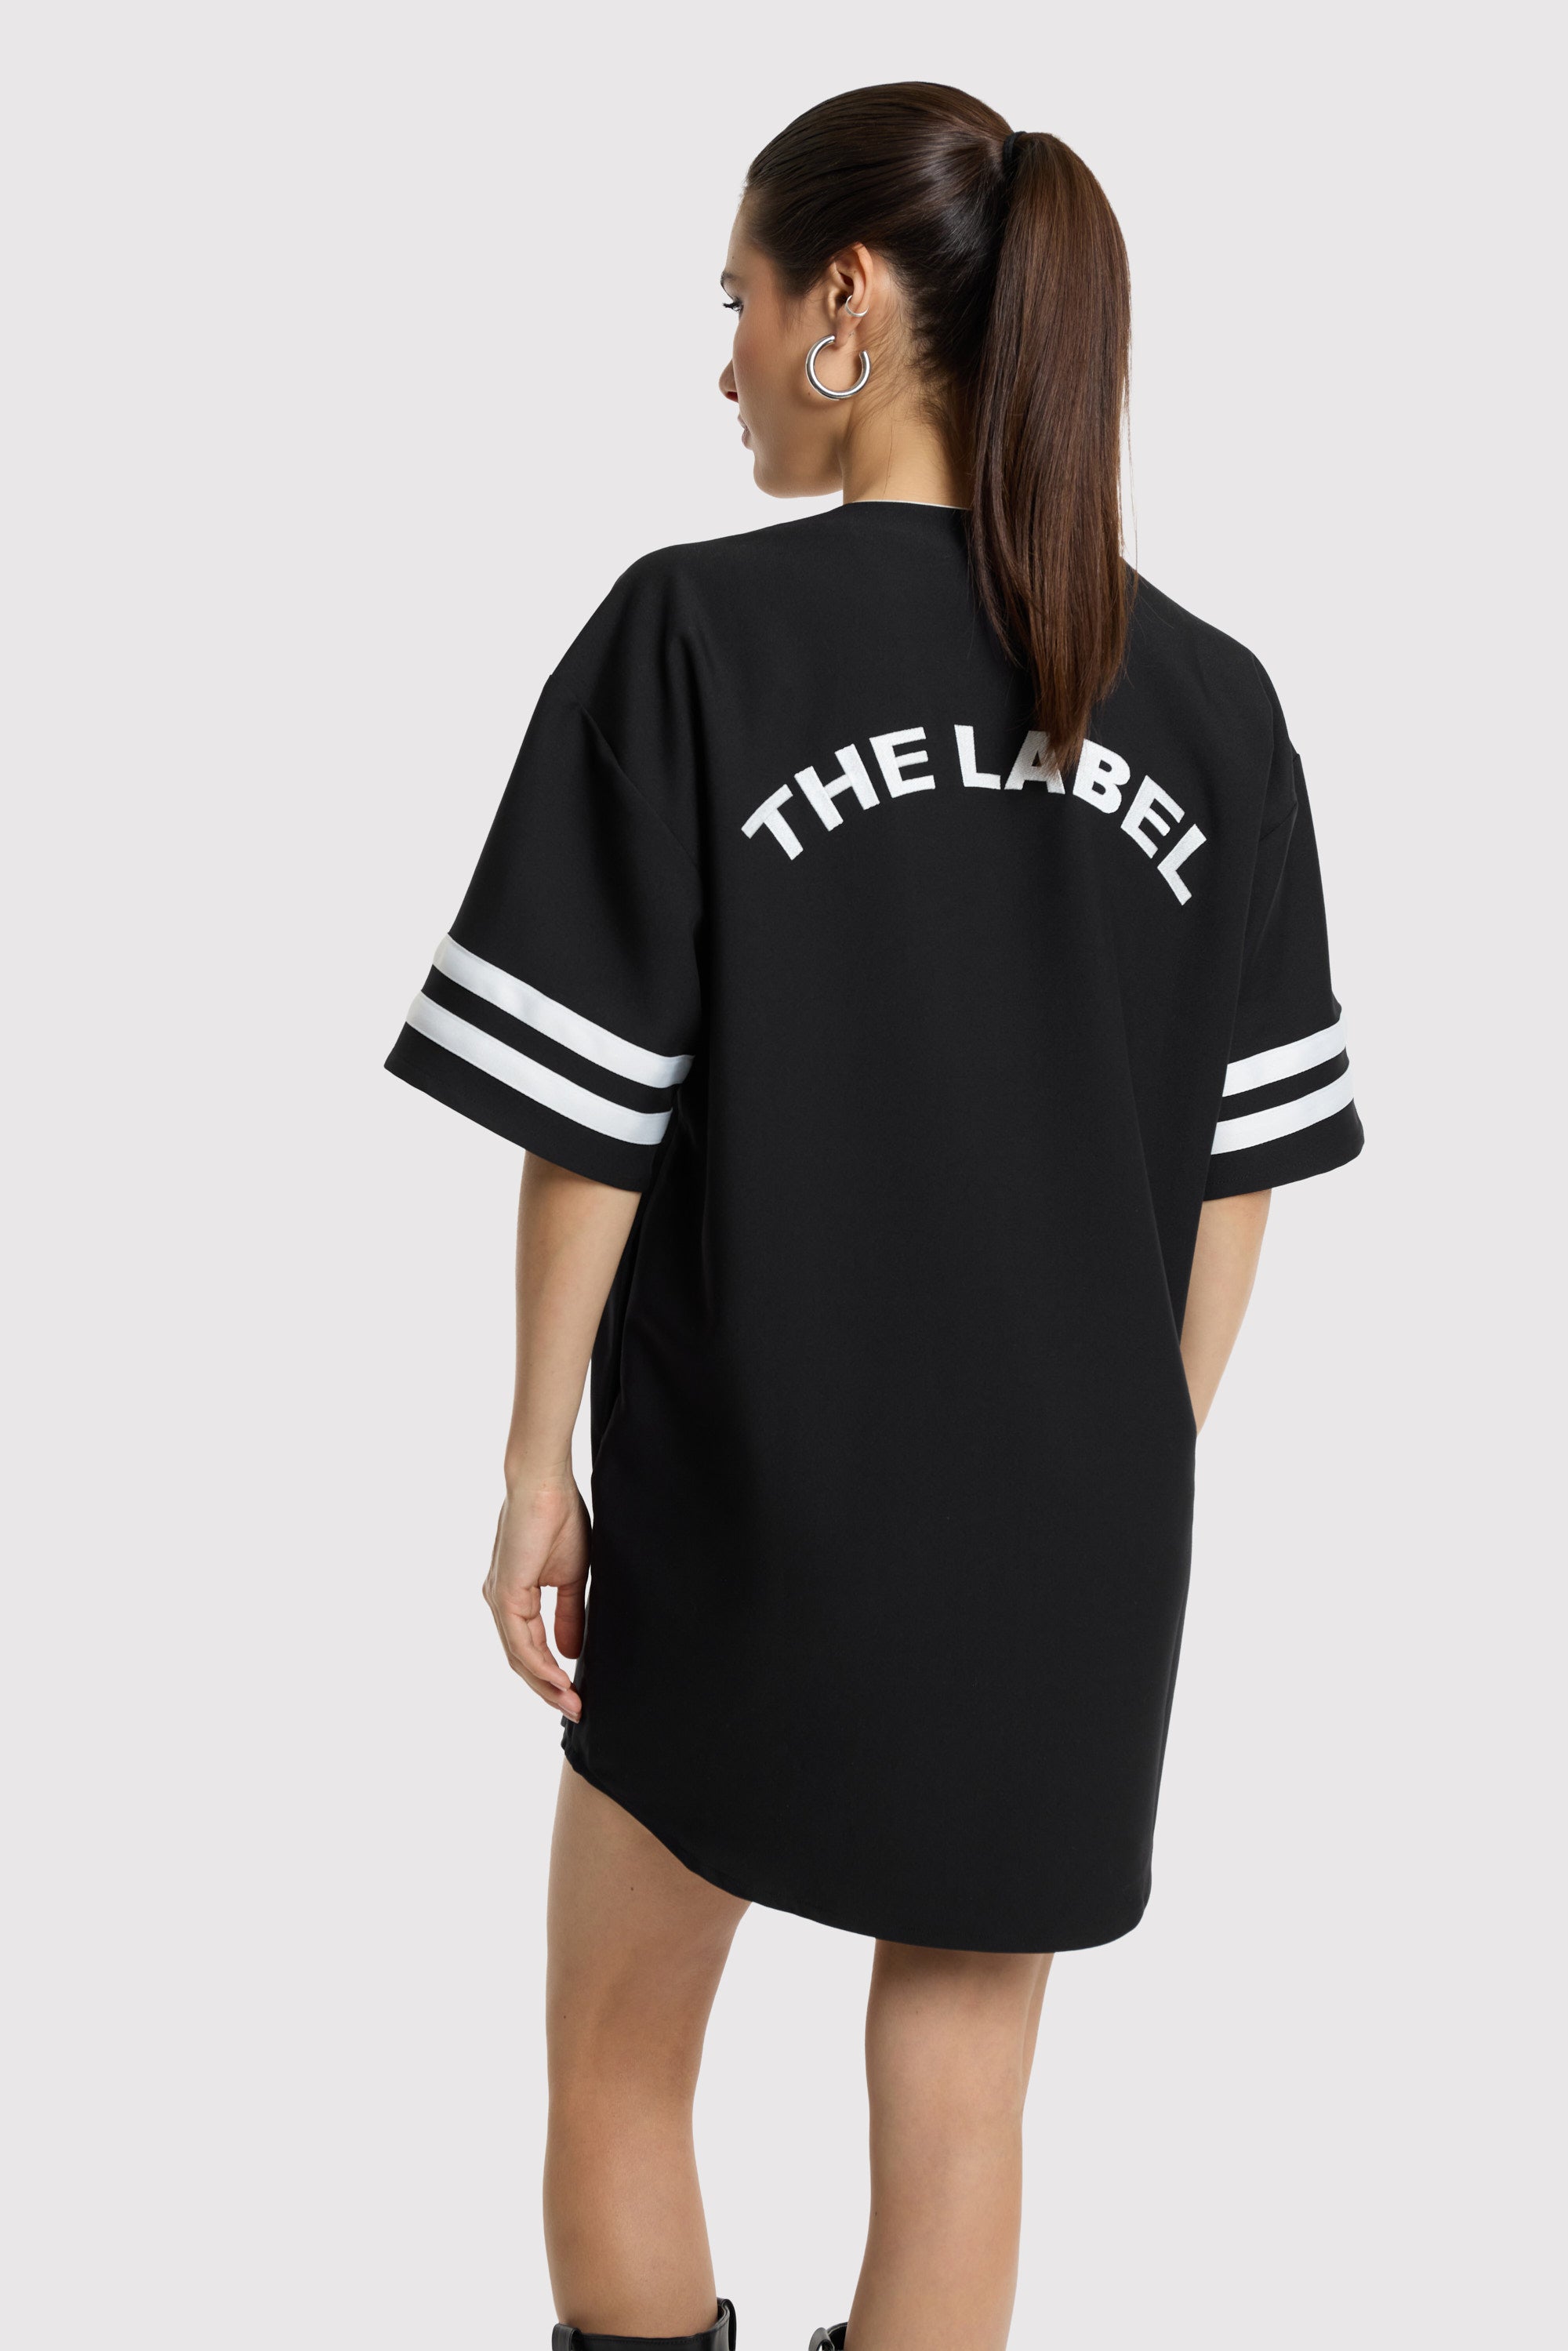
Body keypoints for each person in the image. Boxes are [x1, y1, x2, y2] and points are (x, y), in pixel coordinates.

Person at [386, 80, 1362, 2351]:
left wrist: (535, 1462)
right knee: (965, 2107)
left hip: (758, 1490)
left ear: (848, 303)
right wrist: (1120, 1456)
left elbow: (591, 1116)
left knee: (620, 2060)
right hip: (1074, 1534)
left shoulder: (696, 638)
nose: (721, 361)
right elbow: (1242, 1174)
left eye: (733, 300)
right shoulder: (1214, 705)